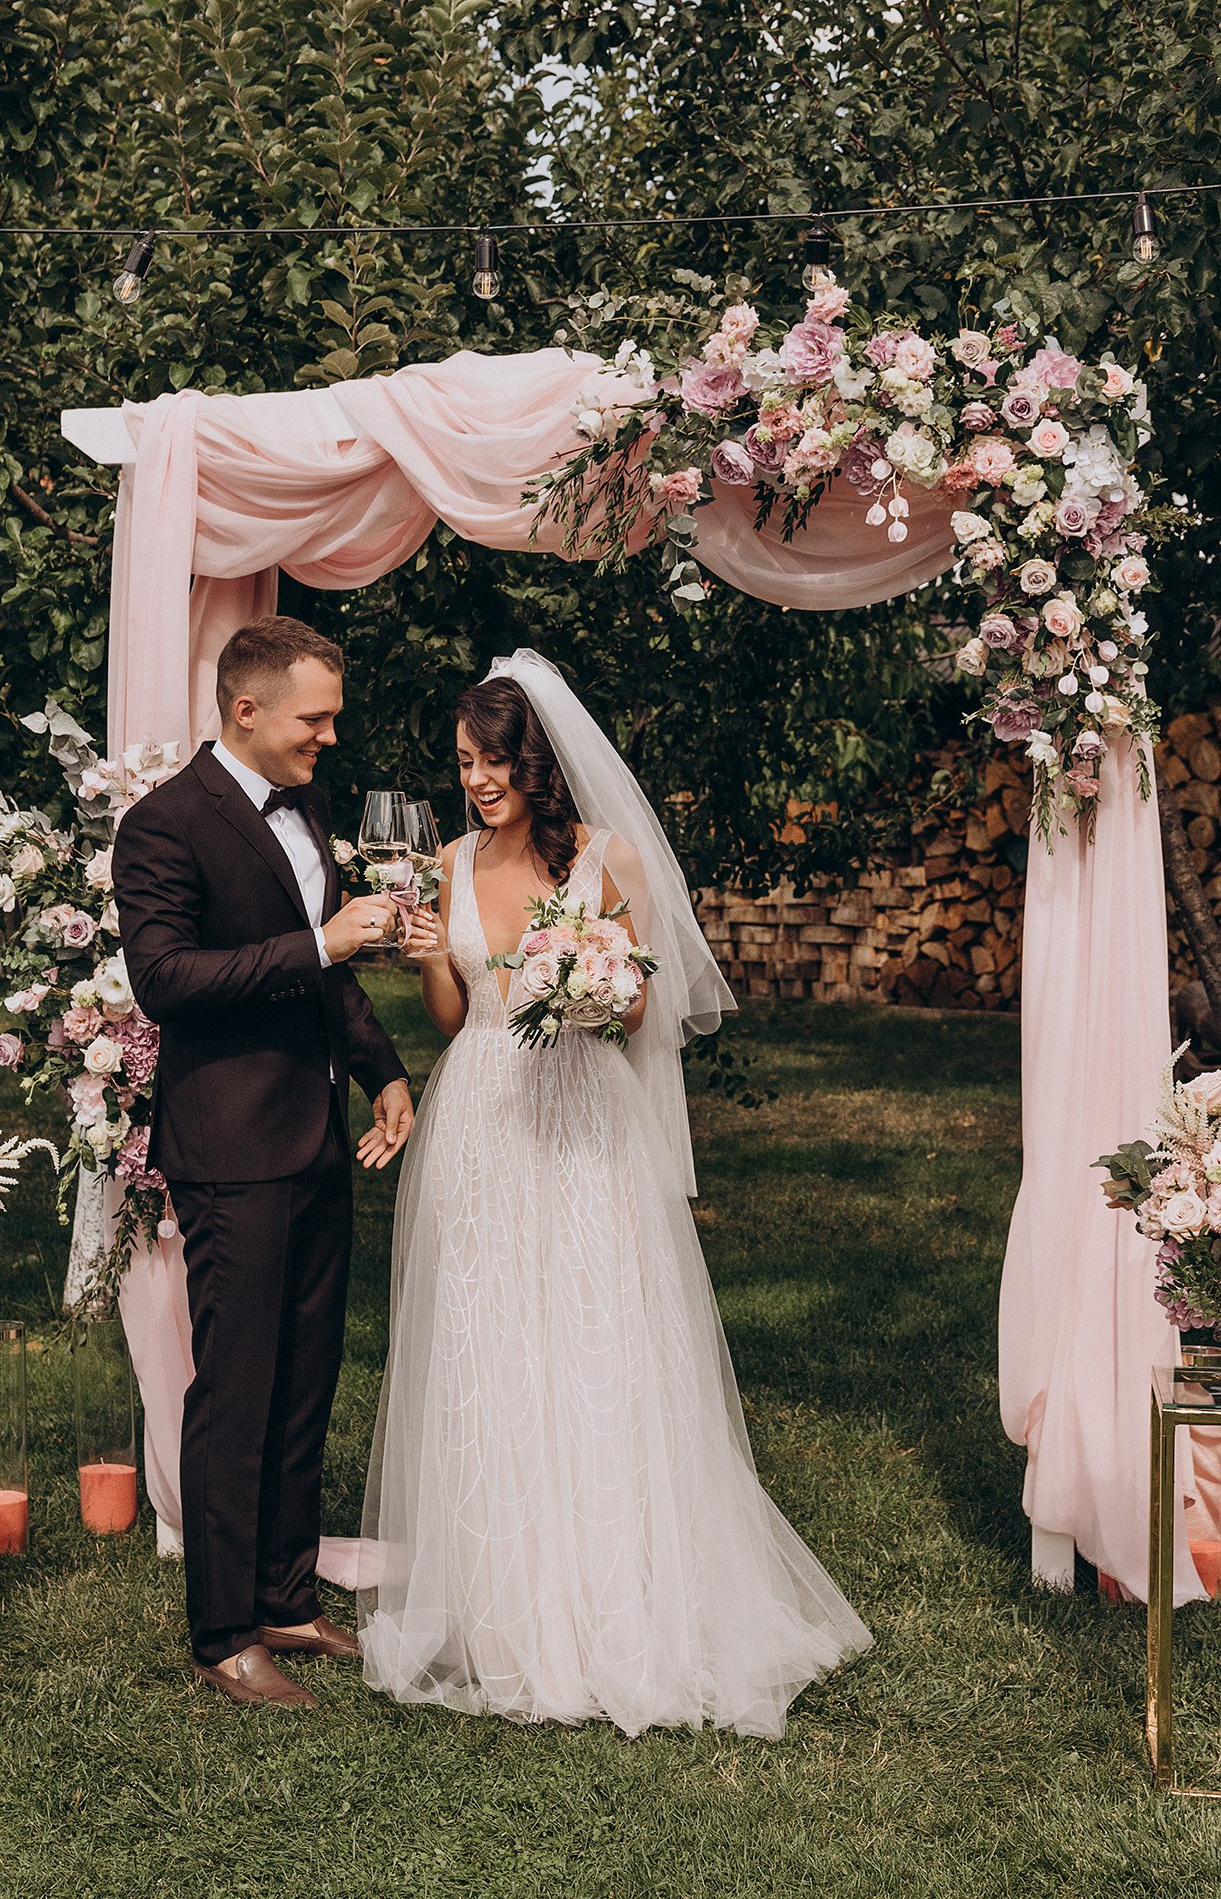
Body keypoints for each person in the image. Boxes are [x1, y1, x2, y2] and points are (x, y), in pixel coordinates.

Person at [358, 648, 872, 1737]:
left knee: (597, 1334)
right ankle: (507, 1616)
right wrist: (430, 958)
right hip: (482, 1115)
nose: (476, 780)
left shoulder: (607, 856)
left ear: (535, 762)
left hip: (582, 1111)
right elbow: (453, 1015)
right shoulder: (446, 861)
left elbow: (642, 1009)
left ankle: (620, 1602)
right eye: (463, 762)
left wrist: (588, 981)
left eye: (493, 761)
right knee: (491, 1340)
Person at [113, 616, 424, 1709]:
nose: (330, 737)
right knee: (237, 1389)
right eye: (315, 719)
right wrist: (320, 942)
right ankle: (222, 1632)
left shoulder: (312, 808)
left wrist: (381, 1070)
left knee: (304, 1378)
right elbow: (165, 980)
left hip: (315, 1133)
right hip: (230, 1144)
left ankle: (286, 1597)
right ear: (247, 710)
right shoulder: (164, 823)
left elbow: (331, 977)